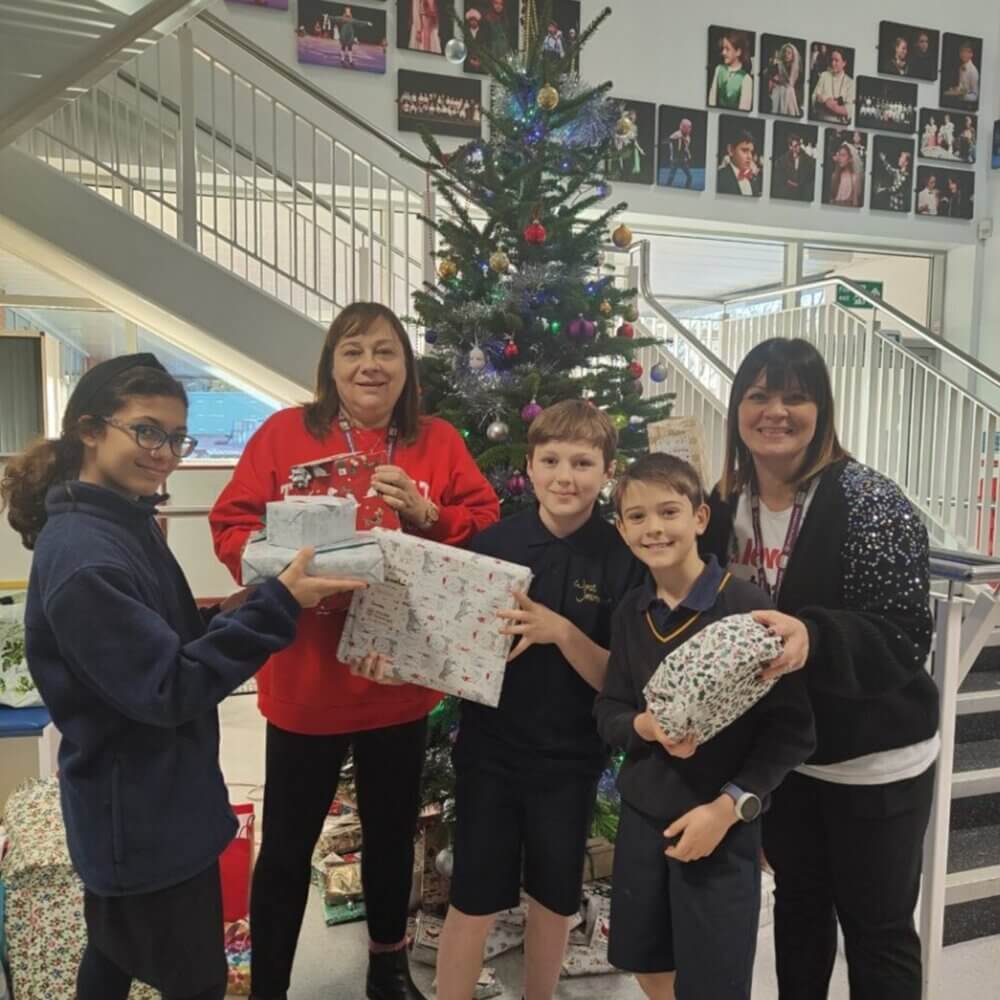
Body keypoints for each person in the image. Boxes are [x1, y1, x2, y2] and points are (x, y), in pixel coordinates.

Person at [0, 354, 366, 1000]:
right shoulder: (87, 558)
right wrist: (279, 604)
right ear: (89, 429)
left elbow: (164, 640)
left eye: (175, 437)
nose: (164, 453)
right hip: (143, 823)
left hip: (149, 803)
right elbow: (171, 686)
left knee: (113, 955)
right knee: (194, 978)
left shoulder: (121, 520)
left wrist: (248, 603)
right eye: (146, 431)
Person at [210, 303, 499, 1000]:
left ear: (407, 368)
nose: (370, 365)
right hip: (309, 677)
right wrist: (286, 577)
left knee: (393, 833)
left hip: (398, 674)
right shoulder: (285, 434)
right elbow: (231, 523)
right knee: (285, 846)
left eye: (385, 352)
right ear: (330, 367)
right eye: (353, 351)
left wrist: (429, 514)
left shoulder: (436, 441)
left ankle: (386, 965)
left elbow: (486, 527)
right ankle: (270, 983)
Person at [701, 337, 940, 1000]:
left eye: (795, 396)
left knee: (878, 931)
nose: (775, 411)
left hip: (874, 759)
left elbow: (902, 636)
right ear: (737, 409)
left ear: (822, 410)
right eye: (759, 395)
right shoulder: (722, 507)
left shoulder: (869, 502)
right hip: (785, 759)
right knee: (800, 914)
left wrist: (815, 634)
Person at [435, 400, 647, 1000]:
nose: (565, 476)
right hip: (489, 752)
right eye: (550, 460)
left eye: (583, 462)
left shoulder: (623, 559)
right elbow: (457, 649)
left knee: (554, 897)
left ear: (607, 472)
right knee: (473, 896)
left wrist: (561, 631)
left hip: (570, 760)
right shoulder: (494, 542)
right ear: (528, 467)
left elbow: (620, 678)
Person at [594, 452, 815, 1000]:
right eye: (637, 517)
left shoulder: (746, 608)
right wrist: (643, 727)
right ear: (622, 531)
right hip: (645, 820)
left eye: (668, 511)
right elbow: (609, 709)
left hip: (722, 827)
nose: (654, 528)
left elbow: (793, 732)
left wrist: (729, 807)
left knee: (714, 984)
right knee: (645, 963)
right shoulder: (630, 612)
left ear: (698, 518)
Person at [708, 30, 753, 112]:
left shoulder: (746, 79)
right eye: (723, 48)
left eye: (727, 49)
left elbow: (743, 112)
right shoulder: (719, 69)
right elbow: (711, 100)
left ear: (738, 52)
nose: (723, 52)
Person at [812, 48, 854, 124]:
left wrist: (831, 105)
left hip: (839, 123)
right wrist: (825, 100)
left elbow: (849, 110)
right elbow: (815, 96)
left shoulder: (850, 83)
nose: (833, 63)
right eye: (832, 60)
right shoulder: (824, 75)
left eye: (836, 60)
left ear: (844, 63)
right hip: (822, 119)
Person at [772, 132, 815, 201]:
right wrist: (789, 183)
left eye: (799, 145)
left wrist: (800, 185)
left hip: (802, 193)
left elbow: (810, 175)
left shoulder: (807, 159)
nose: (798, 148)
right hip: (787, 193)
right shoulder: (782, 160)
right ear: (790, 147)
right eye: (795, 146)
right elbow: (779, 177)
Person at [717, 130, 762, 197]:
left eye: (751, 152)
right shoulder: (718, 177)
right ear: (730, 150)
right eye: (744, 150)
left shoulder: (754, 179)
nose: (749, 156)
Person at [768, 42, 802, 117]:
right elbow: (772, 77)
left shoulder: (795, 68)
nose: (786, 54)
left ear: (793, 56)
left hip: (788, 93)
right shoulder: (778, 65)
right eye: (785, 52)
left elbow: (791, 83)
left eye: (789, 53)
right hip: (778, 91)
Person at [873, 148, 912, 212]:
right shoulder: (898, 172)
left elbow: (895, 189)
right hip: (893, 204)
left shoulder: (905, 176)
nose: (899, 159)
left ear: (906, 163)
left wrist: (883, 189)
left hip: (899, 207)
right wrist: (884, 160)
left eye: (901, 157)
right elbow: (890, 169)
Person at [827, 141, 863, 207]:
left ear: (850, 158)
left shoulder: (854, 178)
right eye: (840, 155)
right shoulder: (835, 176)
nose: (840, 158)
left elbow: (855, 202)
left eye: (843, 155)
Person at [943, 41, 980, 106]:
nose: (963, 54)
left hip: (967, 101)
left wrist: (962, 94)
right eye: (962, 52)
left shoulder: (973, 71)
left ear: (971, 54)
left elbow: (975, 96)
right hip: (959, 98)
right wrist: (954, 89)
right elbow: (961, 87)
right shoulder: (961, 67)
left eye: (966, 52)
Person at [664, 118, 694, 188]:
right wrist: (676, 139)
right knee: (671, 177)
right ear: (683, 127)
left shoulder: (688, 138)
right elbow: (669, 141)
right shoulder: (676, 134)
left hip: (683, 160)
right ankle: (667, 189)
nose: (689, 129)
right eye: (688, 127)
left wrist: (688, 155)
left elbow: (686, 148)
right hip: (675, 159)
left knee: (690, 177)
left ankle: (687, 189)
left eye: (690, 127)